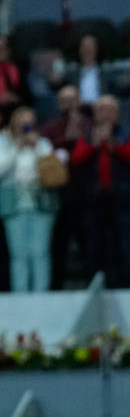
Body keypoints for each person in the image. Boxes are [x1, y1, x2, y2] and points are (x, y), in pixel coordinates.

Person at [69, 95, 130, 287]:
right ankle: (94, 283)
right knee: (94, 244)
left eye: (111, 110)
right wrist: (94, 145)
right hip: (93, 200)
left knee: (124, 244)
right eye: (102, 110)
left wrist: (113, 145)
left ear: (117, 114)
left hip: (121, 199)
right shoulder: (86, 136)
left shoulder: (127, 134)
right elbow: (76, 159)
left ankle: (126, 284)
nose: (106, 114)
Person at [0, 106, 58, 292]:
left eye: (29, 122)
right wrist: (17, 147)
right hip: (14, 204)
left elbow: (52, 170)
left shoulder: (43, 143)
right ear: (14, 123)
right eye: (21, 122)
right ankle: (21, 294)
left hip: (40, 203)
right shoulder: (3, 142)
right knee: (19, 254)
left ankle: (41, 293)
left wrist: (37, 147)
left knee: (40, 252)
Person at [39, 85, 89, 289]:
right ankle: (56, 289)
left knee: (89, 245)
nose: (68, 105)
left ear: (79, 101)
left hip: (87, 196)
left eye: (72, 100)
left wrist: (77, 126)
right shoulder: (50, 128)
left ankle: (92, 288)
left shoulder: (90, 125)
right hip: (59, 197)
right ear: (58, 104)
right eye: (64, 101)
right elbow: (51, 151)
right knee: (58, 246)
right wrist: (70, 132)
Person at [47, 34, 130, 104]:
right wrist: (53, 80)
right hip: (77, 111)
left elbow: (121, 91)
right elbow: (57, 86)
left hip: (100, 111)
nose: (87, 49)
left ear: (97, 50)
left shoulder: (108, 72)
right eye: (84, 47)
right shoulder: (71, 72)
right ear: (79, 50)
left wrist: (126, 84)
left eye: (90, 47)